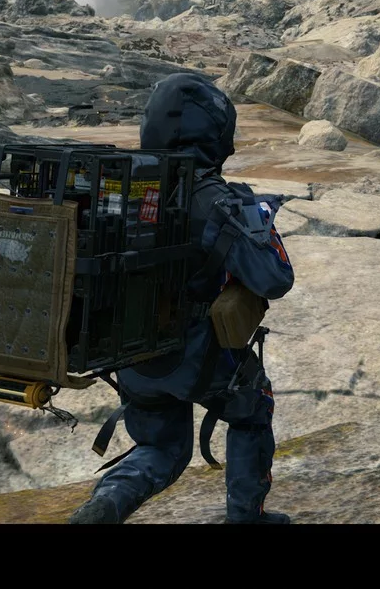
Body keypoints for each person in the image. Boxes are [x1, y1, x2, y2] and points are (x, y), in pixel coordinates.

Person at [70, 73, 292, 525]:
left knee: (163, 448)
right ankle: (246, 518)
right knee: (252, 407)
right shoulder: (216, 201)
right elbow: (274, 279)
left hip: (131, 354)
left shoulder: (118, 184)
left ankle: (106, 504)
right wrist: (261, 219)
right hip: (196, 357)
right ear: (214, 134)